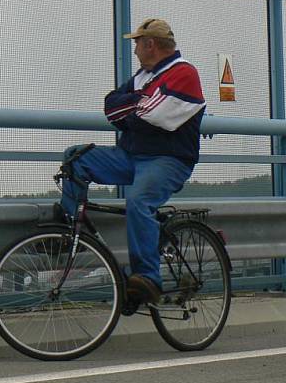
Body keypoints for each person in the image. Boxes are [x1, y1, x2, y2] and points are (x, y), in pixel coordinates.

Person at [59, 18, 206, 304]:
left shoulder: (184, 73)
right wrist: (139, 104)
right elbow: (111, 106)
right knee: (76, 159)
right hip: (132, 155)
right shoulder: (144, 75)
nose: (135, 48)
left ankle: (148, 278)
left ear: (150, 44)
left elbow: (153, 114)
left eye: (137, 42)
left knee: (138, 201)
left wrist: (135, 107)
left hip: (168, 159)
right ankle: (67, 232)